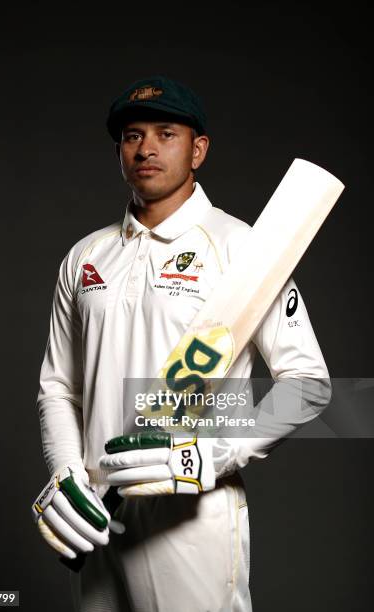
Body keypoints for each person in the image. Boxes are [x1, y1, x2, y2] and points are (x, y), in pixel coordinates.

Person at [32, 75, 331, 612]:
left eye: (165, 133)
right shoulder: (85, 257)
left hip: (190, 519)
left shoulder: (242, 248)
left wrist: (209, 456)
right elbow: (58, 385)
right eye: (131, 135)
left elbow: (308, 385)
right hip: (98, 515)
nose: (145, 148)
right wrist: (65, 471)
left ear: (198, 150)